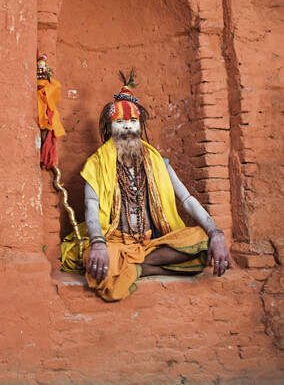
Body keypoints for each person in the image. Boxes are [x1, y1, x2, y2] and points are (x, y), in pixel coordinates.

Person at [77, 72, 231, 301]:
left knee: (201, 241)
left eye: (132, 122)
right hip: (115, 243)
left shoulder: (158, 162)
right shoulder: (96, 164)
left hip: (152, 244)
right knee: (97, 259)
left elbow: (186, 199)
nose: (127, 128)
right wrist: (98, 244)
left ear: (140, 126)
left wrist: (216, 232)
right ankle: (141, 267)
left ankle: (133, 267)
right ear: (110, 128)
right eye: (120, 122)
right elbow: (91, 206)